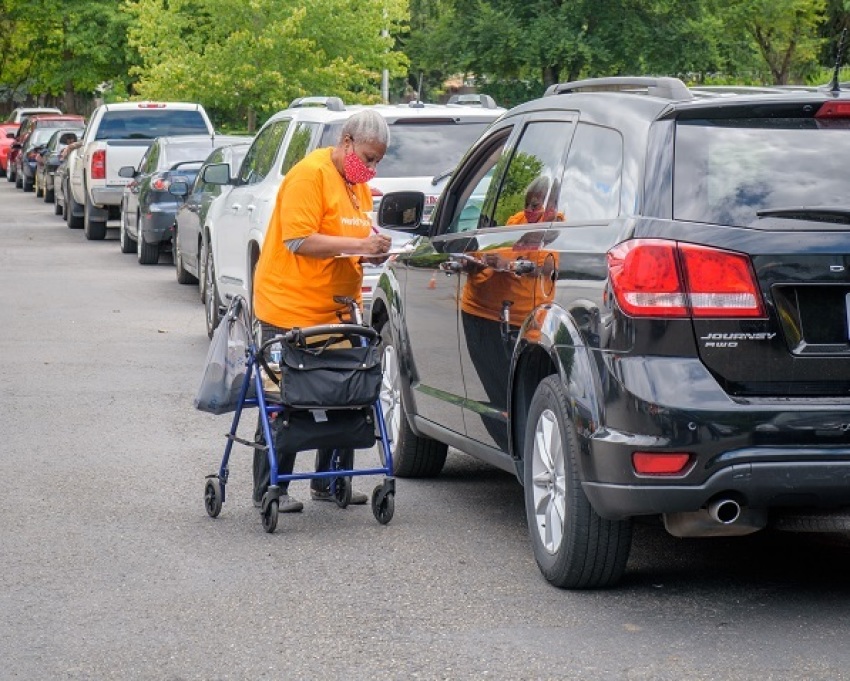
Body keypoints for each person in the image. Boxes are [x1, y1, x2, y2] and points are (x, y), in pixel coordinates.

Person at [251, 109, 392, 513]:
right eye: (368, 157)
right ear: (346, 142)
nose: (371, 167)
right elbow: (297, 240)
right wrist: (362, 247)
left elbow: (352, 239)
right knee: (286, 399)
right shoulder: (308, 176)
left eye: (378, 160)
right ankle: (270, 488)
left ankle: (331, 483)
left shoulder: (356, 185)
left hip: (337, 310)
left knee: (343, 393)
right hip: (290, 307)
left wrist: (375, 249)